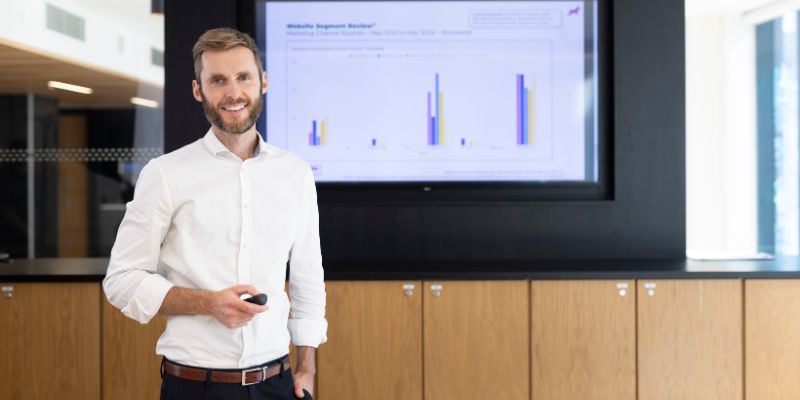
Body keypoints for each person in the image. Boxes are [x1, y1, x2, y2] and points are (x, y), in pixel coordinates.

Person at [103, 28, 326, 400]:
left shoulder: (295, 174)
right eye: (218, 80)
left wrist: (307, 367)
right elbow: (121, 280)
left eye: (243, 77)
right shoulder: (165, 174)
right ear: (198, 90)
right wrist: (208, 304)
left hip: (278, 384)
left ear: (263, 82)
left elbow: (307, 279)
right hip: (195, 387)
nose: (233, 93)